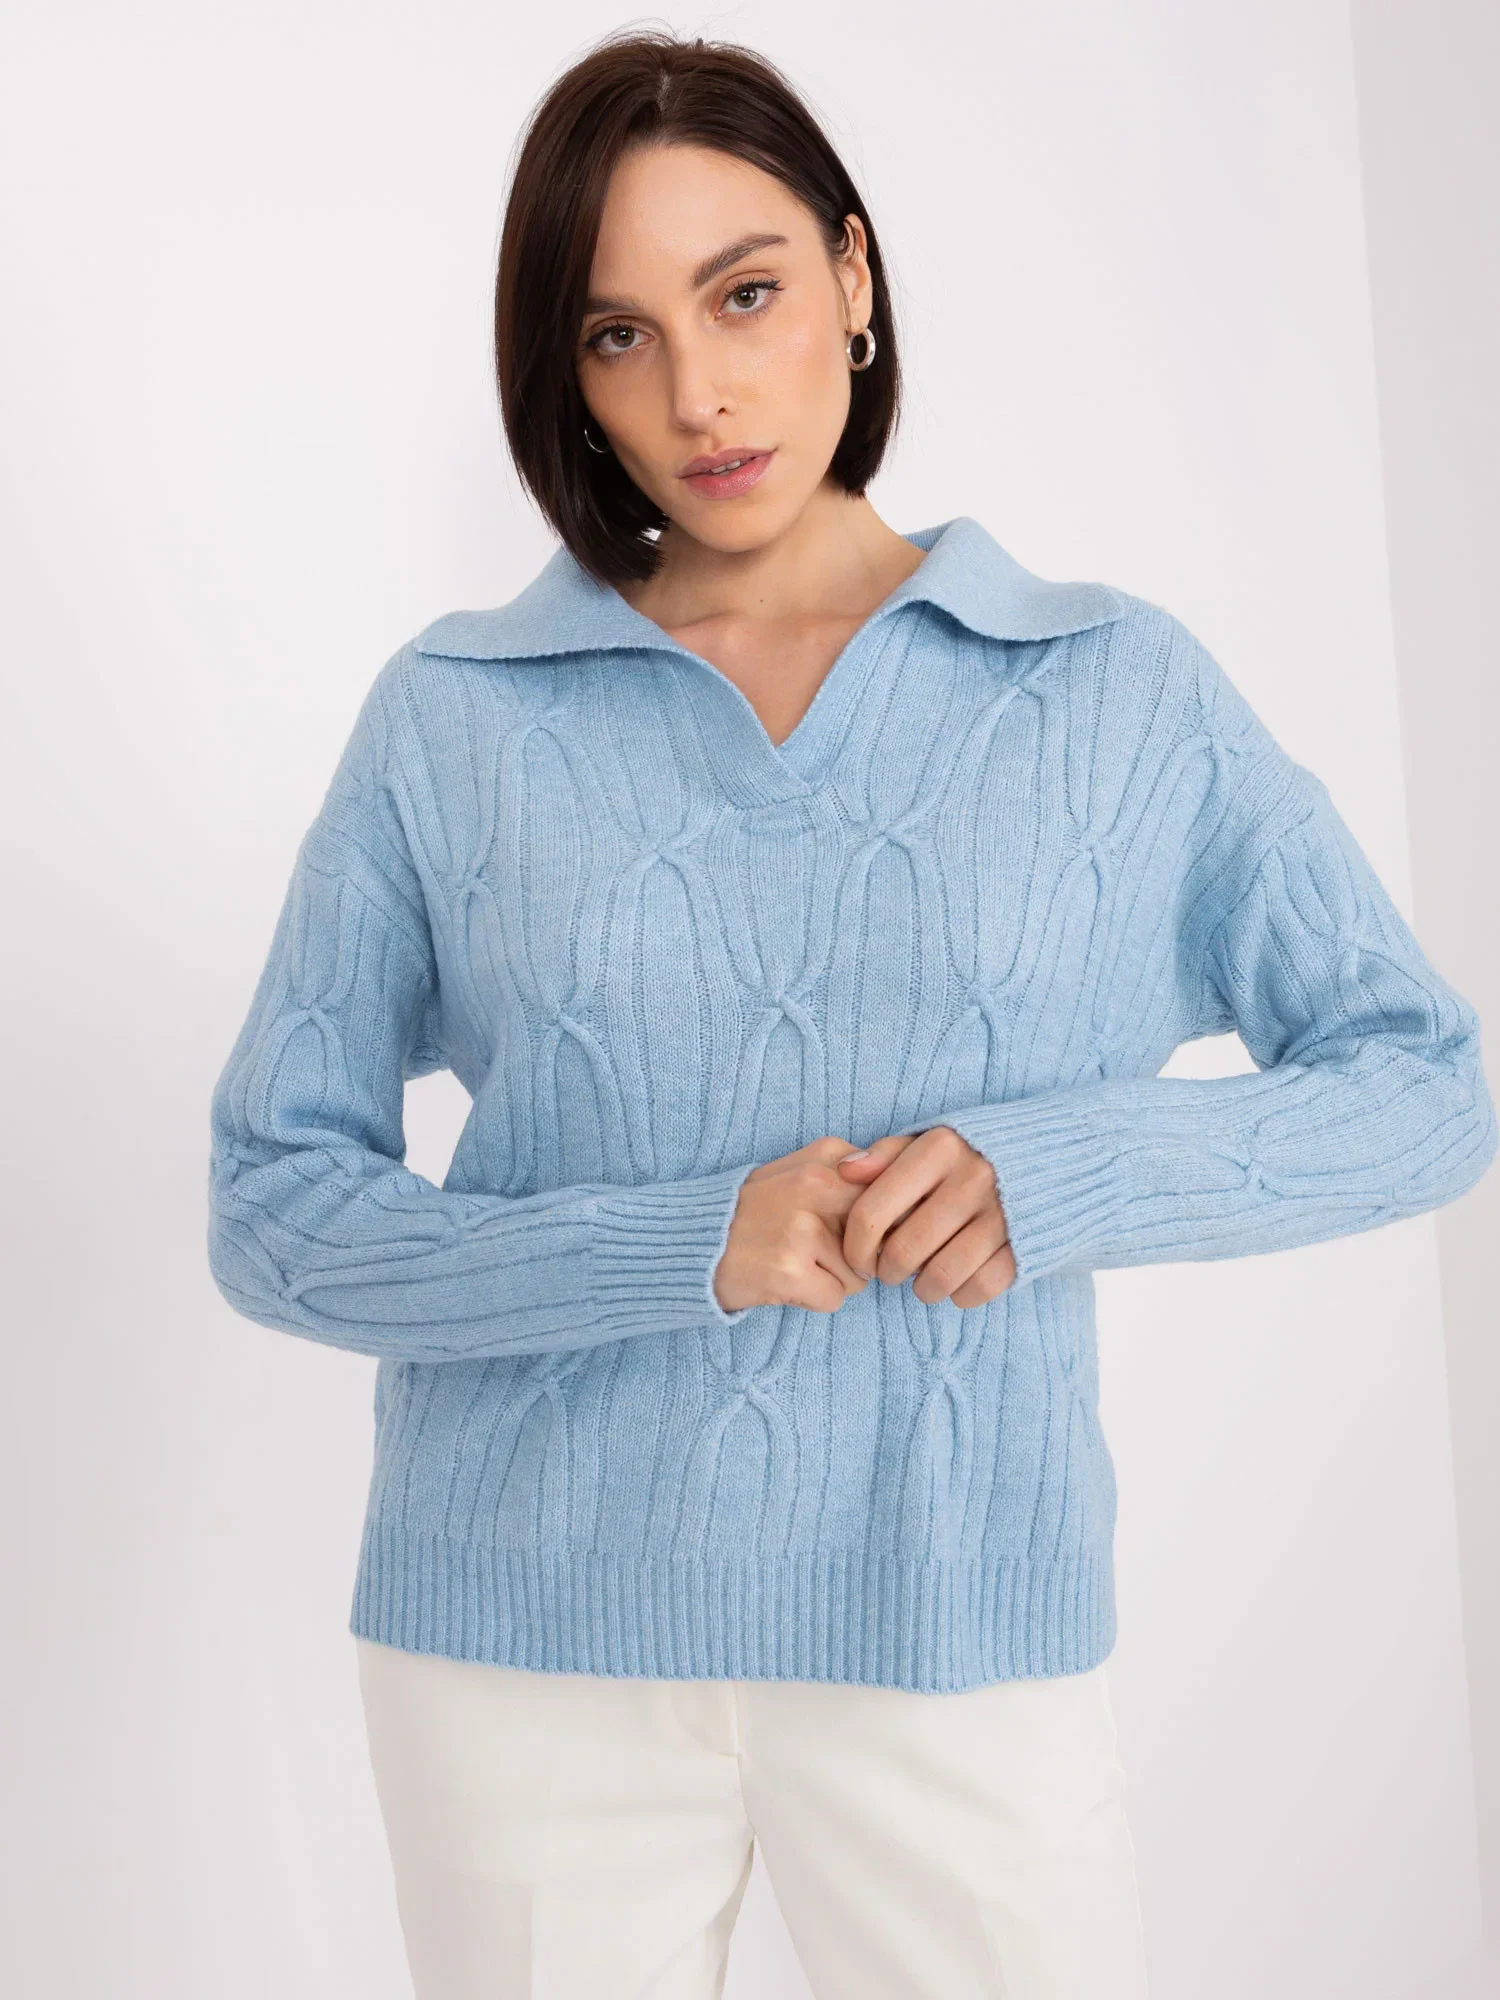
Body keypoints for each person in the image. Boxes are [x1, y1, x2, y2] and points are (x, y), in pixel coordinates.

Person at [204, 27, 1497, 2000]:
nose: (700, 393)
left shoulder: (1109, 690)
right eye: (619, 336)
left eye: (745, 294)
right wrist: (684, 1246)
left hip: (954, 1634)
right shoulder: (453, 719)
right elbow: (273, 1204)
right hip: (520, 1653)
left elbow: (1426, 1084)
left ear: (853, 275)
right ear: (568, 376)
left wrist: (1054, 1171)